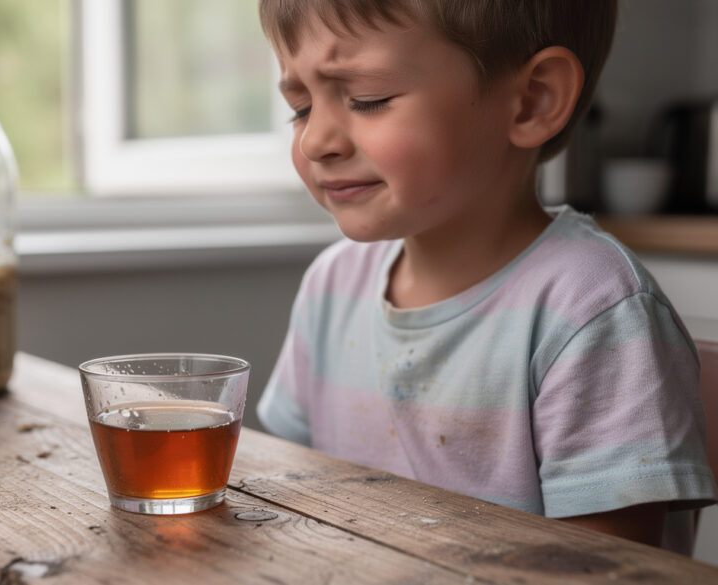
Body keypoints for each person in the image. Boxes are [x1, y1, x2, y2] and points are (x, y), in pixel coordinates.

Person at [255, 0, 716, 553]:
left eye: (367, 99)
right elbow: (292, 500)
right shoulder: (332, 285)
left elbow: (604, 568)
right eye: (301, 108)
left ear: (532, 101)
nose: (313, 141)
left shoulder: (593, 309)